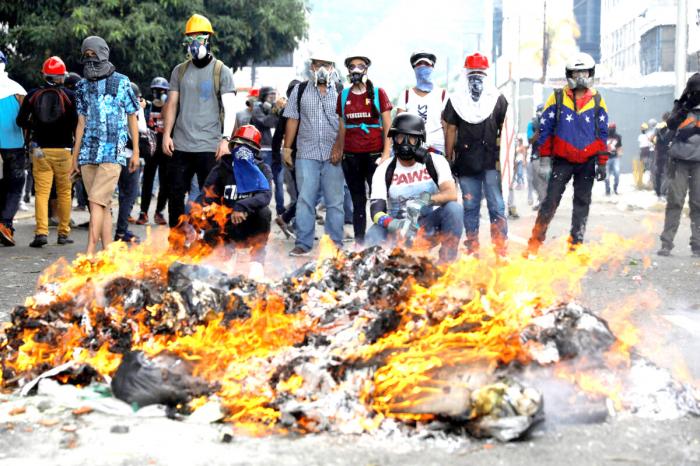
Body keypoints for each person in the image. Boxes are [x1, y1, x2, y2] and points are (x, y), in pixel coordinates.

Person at [525, 52, 609, 255]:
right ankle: (534, 243)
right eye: (576, 72)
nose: (580, 77)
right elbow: (545, 129)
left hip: (587, 162)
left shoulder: (598, 100)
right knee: (550, 202)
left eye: (584, 72)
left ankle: (575, 245)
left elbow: (602, 132)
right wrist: (544, 160)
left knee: (582, 203)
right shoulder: (557, 97)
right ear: (569, 74)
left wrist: (602, 162)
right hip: (562, 161)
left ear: (591, 73)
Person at [162, 13, 236, 228]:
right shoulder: (179, 71)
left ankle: (208, 241)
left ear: (208, 39)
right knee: (175, 195)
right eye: (190, 38)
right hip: (181, 145)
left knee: (211, 197)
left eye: (199, 37)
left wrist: (225, 140)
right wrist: (167, 134)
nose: (194, 43)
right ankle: (176, 240)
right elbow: (172, 104)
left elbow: (230, 108)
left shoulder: (221, 71)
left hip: (209, 146)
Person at [70, 36, 140, 255]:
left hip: (113, 150)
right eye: (86, 55)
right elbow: (80, 122)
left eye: (94, 54)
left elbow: (132, 116)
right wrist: (75, 156)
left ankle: (91, 249)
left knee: (95, 200)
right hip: (88, 151)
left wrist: (136, 151)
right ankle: (108, 252)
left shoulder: (122, 81)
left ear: (104, 53)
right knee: (103, 203)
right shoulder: (81, 86)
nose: (90, 59)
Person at [367, 113, 462, 262]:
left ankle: (445, 264)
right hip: (396, 231)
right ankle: (377, 272)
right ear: (393, 139)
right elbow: (375, 211)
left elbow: (451, 194)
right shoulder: (384, 169)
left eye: (411, 138)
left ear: (420, 140)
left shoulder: (435, 161)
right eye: (399, 137)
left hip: (425, 230)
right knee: (373, 234)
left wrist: (424, 200)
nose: (405, 143)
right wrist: (392, 223)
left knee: (454, 209)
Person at [444, 52, 509, 256]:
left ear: (486, 74)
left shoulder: (498, 99)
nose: (476, 77)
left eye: (480, 73)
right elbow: (451, 129)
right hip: (466, 163)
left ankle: (500, 249)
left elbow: (505, 130)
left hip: (491, 163)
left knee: (496, 206)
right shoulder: (456, 100)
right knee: (470, 206)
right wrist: (448, 160)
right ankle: (472, 247)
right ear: (466, 74)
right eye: (472, 73)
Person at [282, 50, 344, 257]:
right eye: (318, 64)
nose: (322, 69)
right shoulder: (299, 90)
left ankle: (334, 244)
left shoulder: (342, 92)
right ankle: (303, 243)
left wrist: (339, 147)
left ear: (333, 68)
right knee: (305, 199)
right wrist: (287, 148)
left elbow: (346, 123)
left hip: (333, 154)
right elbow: (292, 119)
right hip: (306, 153)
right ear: (311, 68)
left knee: (335, 201)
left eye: (327, 64)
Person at [16, 56, 77, 247]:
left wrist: (35, 124)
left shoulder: (33, 95)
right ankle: (63, 234)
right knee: (65, 193)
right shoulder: (70, 96)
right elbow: (77, 124)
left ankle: (41, 233)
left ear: (44, 75)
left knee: (41, 193)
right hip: (64, 151)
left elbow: (20, 121)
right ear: (62, 76)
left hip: (40, 150)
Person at [333, 53, 392, 246]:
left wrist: (385, 154)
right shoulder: (343, 96)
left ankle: (382, 240)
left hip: (374, 155)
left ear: (366, 69)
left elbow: (388, 126)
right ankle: (359, 243)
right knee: (358, 201)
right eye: (352, 66)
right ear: (348, 71)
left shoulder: (378, 93)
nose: (355, 69)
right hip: (351, 157)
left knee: (378, 198)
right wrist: (339, 150)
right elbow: (342, 126)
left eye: (360, 65)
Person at [201, 125, 272, 279]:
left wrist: (242, 206)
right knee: (207, 214)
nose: (243, 151)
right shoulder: (222, 168)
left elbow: (266, 196)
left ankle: (256, 262)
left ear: (255, 151)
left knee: (265, 213)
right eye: (239, 145)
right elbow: (206, 195)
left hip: (250, 224)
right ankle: (225, 255)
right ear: (232, 146)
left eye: (248, 147)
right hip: (227, 225)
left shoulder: (262, 169)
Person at [657, 73, 700, 258]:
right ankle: (667, 243)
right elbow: (671, 123)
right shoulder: (681, 106)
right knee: (675, 201)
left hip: (699, 163)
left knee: (698, 204)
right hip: (679, 162)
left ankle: (697, 244)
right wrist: (686, 105)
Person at [114, 82, 148, 243]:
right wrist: (140, 108)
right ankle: (121, 231)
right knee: (130, 194)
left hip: (114, 157)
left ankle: (119, 229)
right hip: (128, 156)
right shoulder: (132, 109)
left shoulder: (113, 106)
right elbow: (142, 129)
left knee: (122, 194)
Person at [0, 51, 28, 246]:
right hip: (14, 146)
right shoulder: (17, 89)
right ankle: (6, 223)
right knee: (15, 185)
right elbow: (27, 119)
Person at [396, 52, 447, 154]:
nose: (423, 67)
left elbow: (447, 126)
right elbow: (399, 126)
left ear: (432, 67)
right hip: (412, 147)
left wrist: (449, 153)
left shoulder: (443, 94)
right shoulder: (406, 95)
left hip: (438, 148)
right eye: (419, 64)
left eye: (427, 64)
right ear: (414, 68)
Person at [135, 77, 170, 225]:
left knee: (165, 182)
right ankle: (143, 212)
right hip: (151, 148)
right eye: (155, 90)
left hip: (165, 149)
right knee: (148, 181)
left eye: (161, 91)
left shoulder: (171, 108)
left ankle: (159, 212)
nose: (158, 93)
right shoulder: (148, 107)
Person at [272, 79, 301, 238]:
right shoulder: (287, 111)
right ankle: (292, 222)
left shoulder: (307, 108)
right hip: (293, 158)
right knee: (303, 194)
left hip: (306, 157)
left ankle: (288, 219)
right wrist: (277, 159)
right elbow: (277, 137)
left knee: (306, 194)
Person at [251, 86, 285, 216]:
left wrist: (279, 110)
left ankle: (281, 211)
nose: (273, 97)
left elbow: (281, 124)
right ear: (263, 95)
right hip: (264, 150)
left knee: (279, 182)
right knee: (265, 182)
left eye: (274, 94)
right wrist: (275, 110)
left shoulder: (275, 108)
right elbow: (267, 122)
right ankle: (262, 210)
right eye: (270, 94)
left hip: (277, 150)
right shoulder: (257, 108)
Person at [526, 103, 550, 210]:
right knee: (535, 182)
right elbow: (530, 140)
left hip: (547, 157)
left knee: (544, 181)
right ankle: (542, 201)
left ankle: (544, 204)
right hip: (535, 156)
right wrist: (538, 130)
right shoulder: (532, 124)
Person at [653, 112, 672, 200]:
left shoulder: (657, 128)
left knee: (658, 173)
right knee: (667, 174)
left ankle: (658, 193)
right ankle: (663, 193)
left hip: (659, 153)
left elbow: (652, 139)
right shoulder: (671, 128)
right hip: (667, 154)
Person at [605, 122, 623, 196]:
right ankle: (607, 190)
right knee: (606, 176)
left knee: (617, 173)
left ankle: (615, 188)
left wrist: (620, 153)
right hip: (606, 158)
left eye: (612, 128)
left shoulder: (618, 136)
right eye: (610, 128)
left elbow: (619, 147)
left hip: (615, 158)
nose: (611, 130)